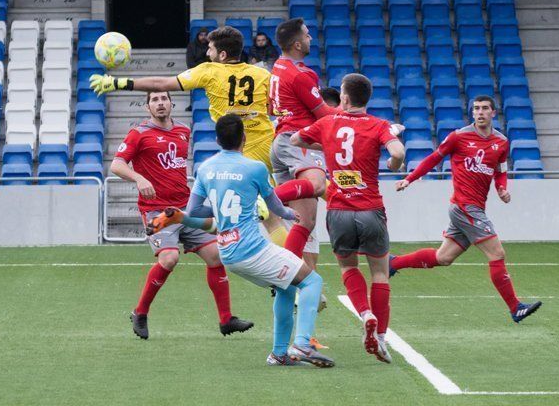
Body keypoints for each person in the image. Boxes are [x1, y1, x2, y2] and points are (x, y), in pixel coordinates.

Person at [89, 26, 317, 246]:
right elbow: (273, 107)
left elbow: (160, 83)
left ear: (223, 54)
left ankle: (290, 264)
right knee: (276, 214)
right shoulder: (262, 74)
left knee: (262, 212)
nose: (207, 53)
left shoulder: (208, 71)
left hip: (238, 150)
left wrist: (118, 82)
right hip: (267, 144)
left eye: (210, 49)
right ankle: (297, 251)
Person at [147, 114, 334, 367]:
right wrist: (289, 213)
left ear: (216, 140)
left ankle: (279, 354)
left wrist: (179, 217)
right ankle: (302, 345)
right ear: (244, 138)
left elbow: (194, 214)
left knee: (286, 287)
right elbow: (276, 207)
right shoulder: (255, 168)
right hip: (252, 249)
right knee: (312, 281)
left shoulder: (205, 169)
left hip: (228, 251)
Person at [112, 91, 253, 340]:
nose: (160, 103)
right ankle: (140, 313)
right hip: (157, 210)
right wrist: (139, 177)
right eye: (154, 100)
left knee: (216, 256)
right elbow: (117, 164)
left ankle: (226, 320)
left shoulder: (183, 131)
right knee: (169, 259)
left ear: (171, 103)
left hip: (184, 209)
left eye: (163, 99)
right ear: (147, 108)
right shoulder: (139, 133)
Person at [390, 95, 543, 323]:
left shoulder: (501, 142)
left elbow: (500, 170)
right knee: (497, 253)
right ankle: (515, 307)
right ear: (472, 113)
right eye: (476, 109)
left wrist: (502, 189)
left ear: (493, 113)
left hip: (473, 207)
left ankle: (393, 263)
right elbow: (433, 159)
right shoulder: (459, 137)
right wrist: (409, 179)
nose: (480, 112)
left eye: (484, 109)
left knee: (444, 258)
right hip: (465, 207)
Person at [291, 73, 405, 363]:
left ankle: (365, 313)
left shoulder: (329, 122)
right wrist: (393, 162)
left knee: (347, 267)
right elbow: (398, 151)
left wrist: (326, 146)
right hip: (370, 209)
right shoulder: (379, 125)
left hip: (339, 210)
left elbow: (295, 138)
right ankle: (380, 337)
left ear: (343, 97)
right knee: (379, 272)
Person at [269, 18, 339, 263]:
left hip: (281, 141)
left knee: (305, 222)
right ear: (297, 44)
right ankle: (265, 198)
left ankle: (303, 282)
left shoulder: (278, 67)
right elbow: (324, 114)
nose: (311, 39)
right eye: (307, 35)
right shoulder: (300, 75)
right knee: (318, 184)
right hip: (298, 141)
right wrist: (357, 115)